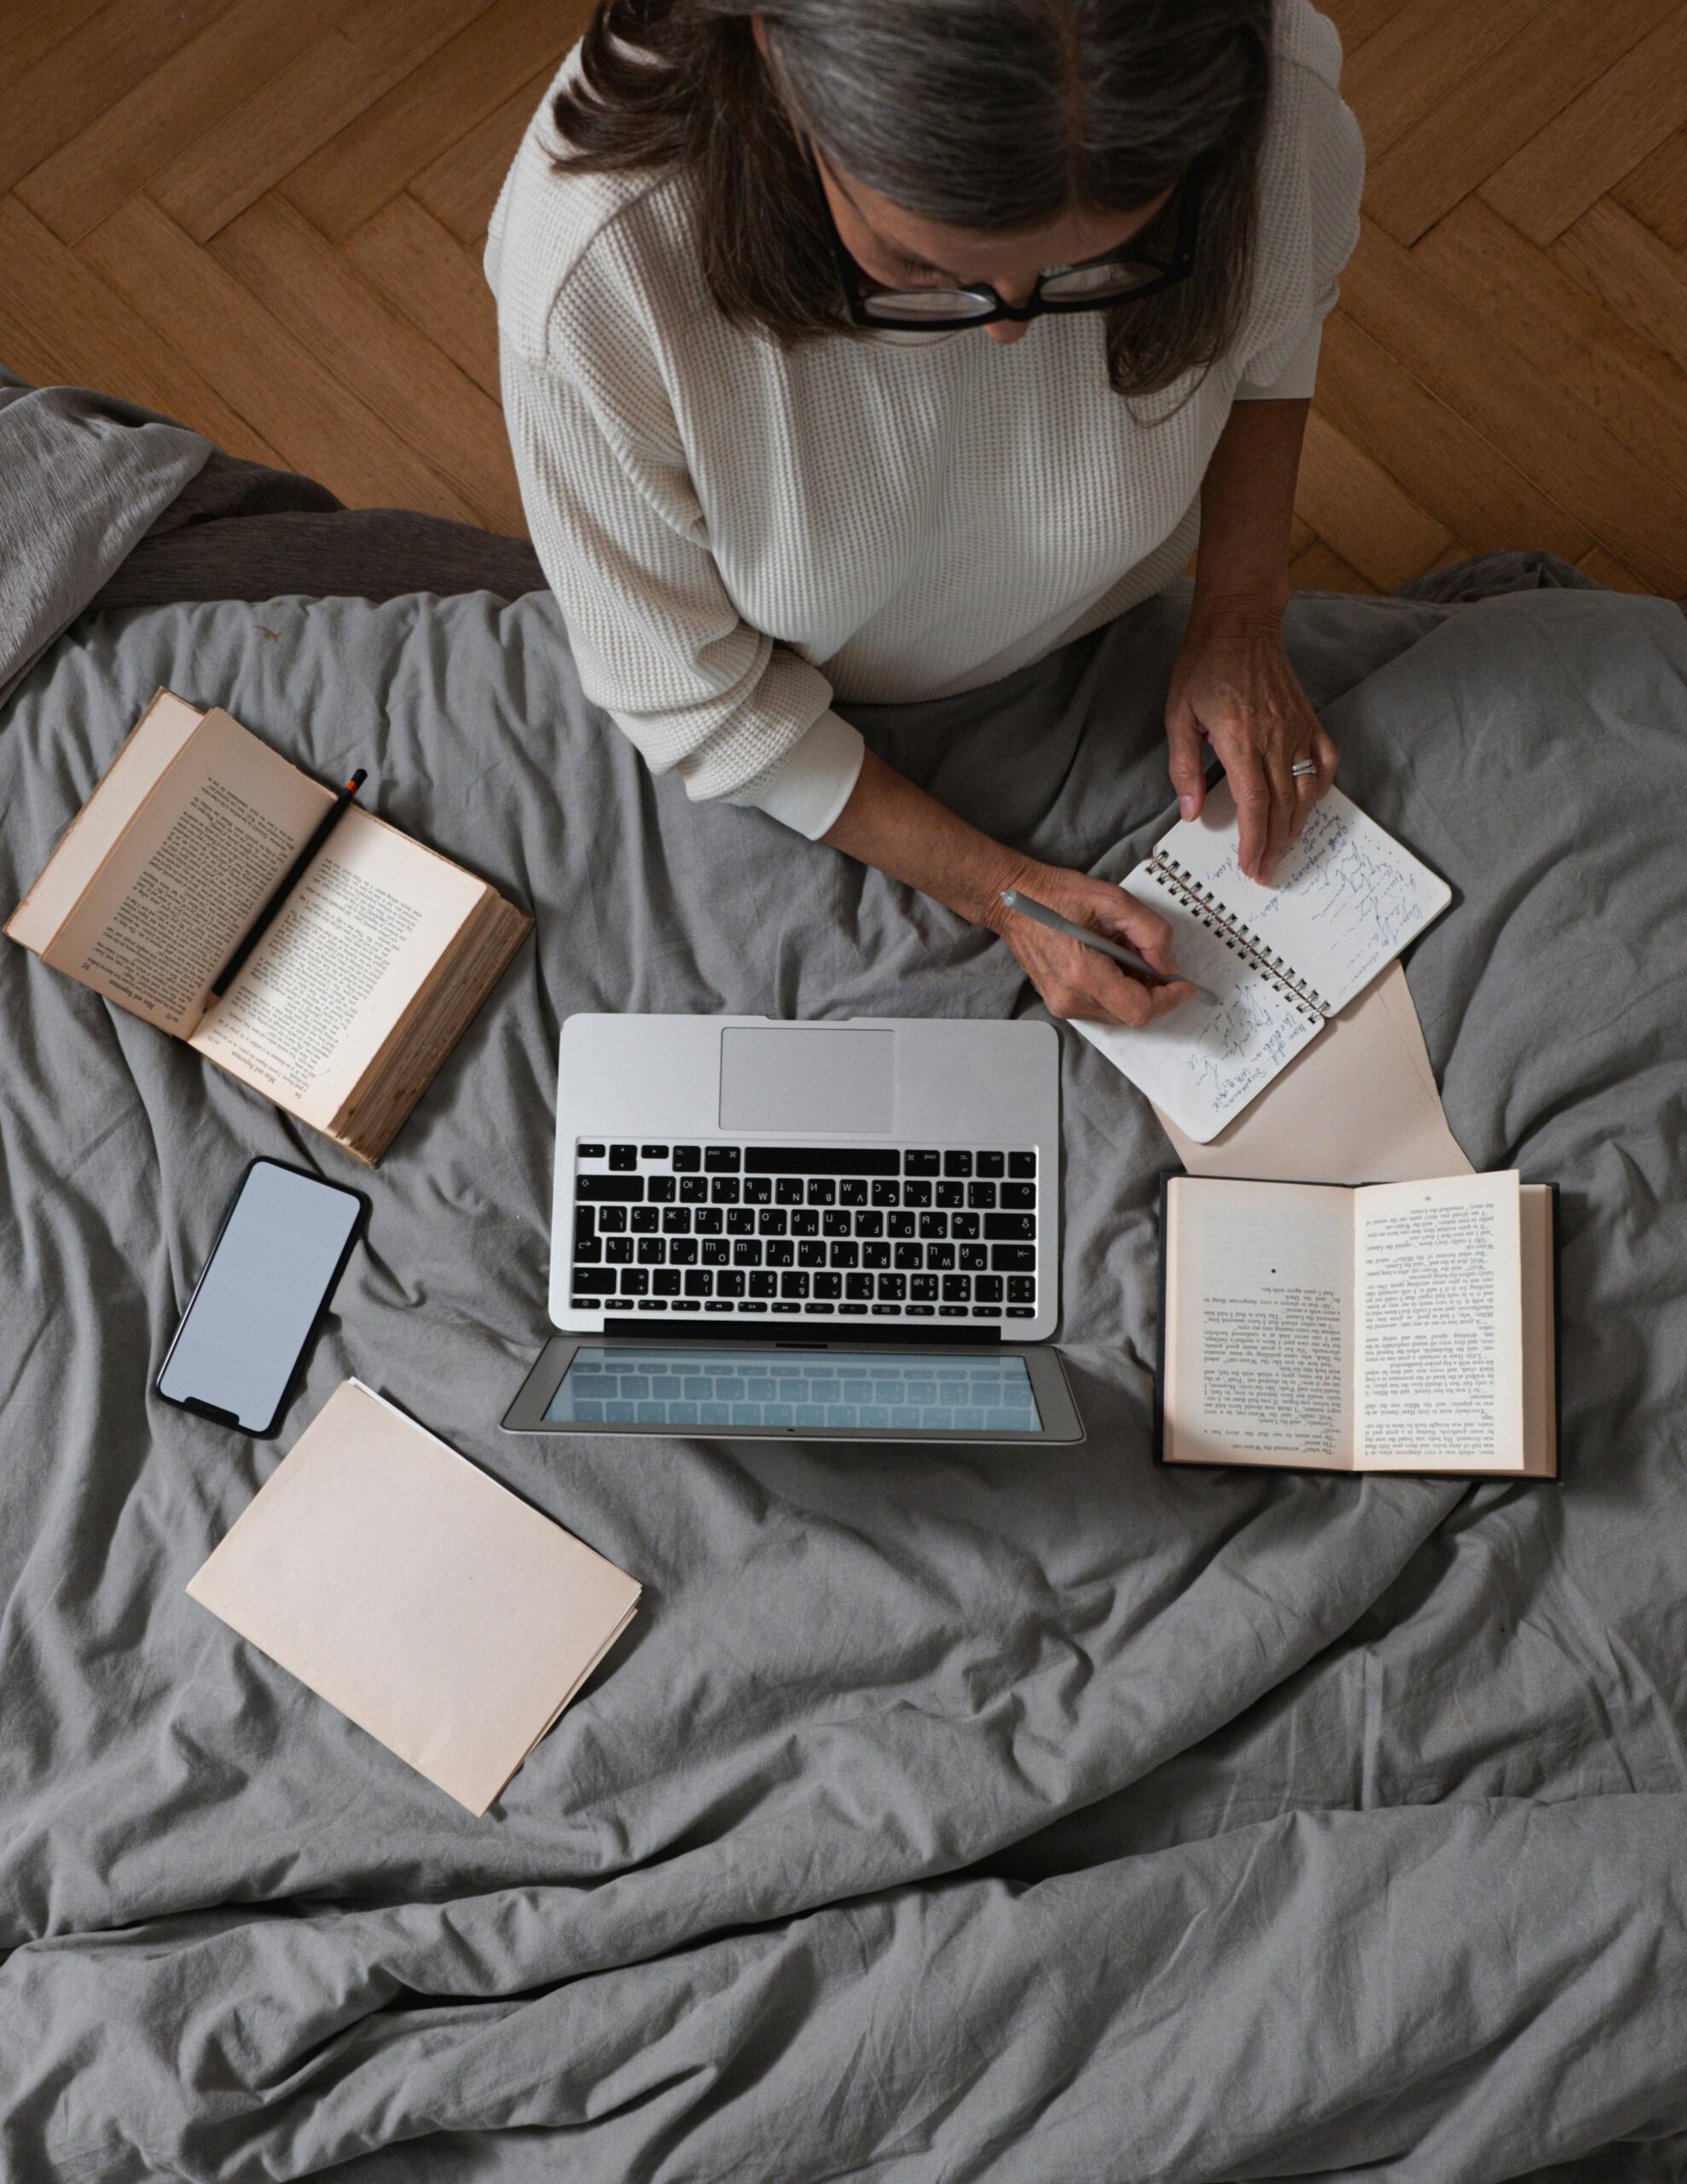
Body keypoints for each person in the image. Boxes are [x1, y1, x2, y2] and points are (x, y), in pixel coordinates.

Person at [488, 0, 1360, 1025]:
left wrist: (1240, 612)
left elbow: (1273, 326)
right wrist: (995, 891)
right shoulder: (600, 265)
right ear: (778, 62)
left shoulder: (1269, 87)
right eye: (923, 270)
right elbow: (694, 698)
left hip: (1114, 626)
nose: (1010, 333)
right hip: (810, 708)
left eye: (1097, 263)